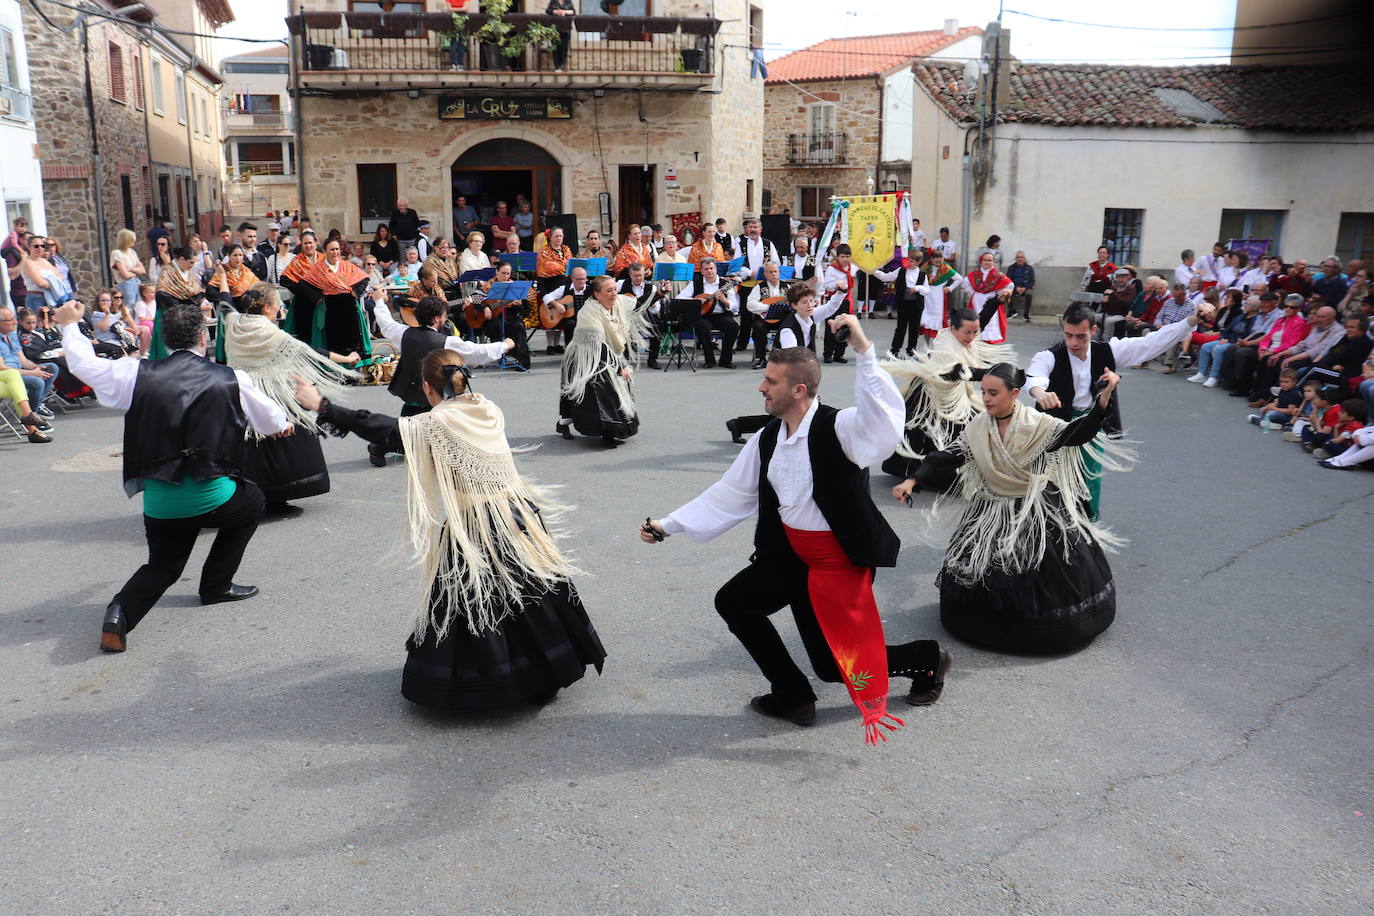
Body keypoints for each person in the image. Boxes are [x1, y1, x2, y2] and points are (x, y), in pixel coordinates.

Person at [641, 317, 950, 744]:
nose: (761, 387)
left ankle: (927, 659)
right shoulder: (767, 437)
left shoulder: (839, 428)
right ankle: (791, 693)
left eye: (770, 381)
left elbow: (882, 424)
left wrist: (864, 352)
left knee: (831, 664)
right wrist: (668, 526)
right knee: (735, 603)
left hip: (836, 560)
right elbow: (731, 493)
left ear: (798, 390)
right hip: (790, 553)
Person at [292, 350, 606, 707]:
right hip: (518, 514)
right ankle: (546, 670)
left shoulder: (439, 424)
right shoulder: (485, 407)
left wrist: (322, 405)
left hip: (479, 523)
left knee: (477, 602)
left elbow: (385, 429)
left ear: (427, 387)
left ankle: (494, 681)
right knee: (527, 596)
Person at [54, 298, 291, 653]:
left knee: (164, 565)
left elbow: (84, 365)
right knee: (253, 500)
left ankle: (119, 613)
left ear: (165, 339)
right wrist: (283, 426)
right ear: (202, 337)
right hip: (213, 497)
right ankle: (216, 586)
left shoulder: (135, 373)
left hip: (160, 501)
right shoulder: (231, 378)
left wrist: (69, 325)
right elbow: (272, 421)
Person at [916, 362, 1125, 654]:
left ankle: (1042, 628)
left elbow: (1079, 432)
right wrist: (915, 479)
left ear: (1014, 393)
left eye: (993, 393)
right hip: (990, 506)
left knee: (1039, 570)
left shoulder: (1038, 425)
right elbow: (949, 455)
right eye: (983, 392)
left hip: (1034, 507)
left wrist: (1104, 398)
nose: (985, 398)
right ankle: (983, 624)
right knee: (988, 569)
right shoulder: (978, 427)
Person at [1025, 300, 1215, 519]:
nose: (1073, 342)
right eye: (1068, 335)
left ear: (1093, 330)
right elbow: (1035, 375)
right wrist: (1040, 393)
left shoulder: (1107, 350)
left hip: (1091, 426)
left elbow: (1151, 343)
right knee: (1054, 480)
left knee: (1090, 479)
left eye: (1080, 336)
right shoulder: (1050, 356)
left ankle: (1088, 528)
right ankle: (1052, 527)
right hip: (1059, 427)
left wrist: (1191, 321)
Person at [212, 280, 356, 517]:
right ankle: (280, 493)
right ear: (268, 307)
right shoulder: (272, 333)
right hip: (272, 393)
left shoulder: (234, 322)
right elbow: (312, 352)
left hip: (240, 393)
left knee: (250, 442)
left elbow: (225, 303)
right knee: (281, 439)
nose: (280, 307)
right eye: (278, 304)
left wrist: (222, 278)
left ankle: (252, 493)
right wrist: (347, 359)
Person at [882, 308, 1017, 495]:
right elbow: (957, 371)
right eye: (967, 332)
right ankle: (917, 475)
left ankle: (944, 472)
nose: (971, 337)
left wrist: (996, 301)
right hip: (930, 396)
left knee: (959, 434)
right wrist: (991, 374)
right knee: (929, 435)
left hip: (954, 394)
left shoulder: (965, 337)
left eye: (975, 332)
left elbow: (981, 320)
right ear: (953, 328)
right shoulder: (944, 346)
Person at [555, 274, 644, 446]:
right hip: (584, 358)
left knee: (614, 390)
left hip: (608, 355)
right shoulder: (588, 312)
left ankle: (610, 430)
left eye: (615, 290)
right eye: (608, 291)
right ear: (597, 294)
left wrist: (661, 292)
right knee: (601, 389)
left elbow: (638, 303)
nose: (614, 294)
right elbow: (598, 346)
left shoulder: (617, 303)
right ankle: (606, 433)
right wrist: (620, 368)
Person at [282, 237, 371, 357]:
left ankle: (353, 366)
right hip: (329, 307)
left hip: (348, 307)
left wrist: (356, 292)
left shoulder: (346, 266)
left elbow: (364, 278)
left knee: (352, 339)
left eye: (337, 249)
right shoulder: (318, 268)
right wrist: (317, 297)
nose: (335, 252)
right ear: (325, 251)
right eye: (332, 249)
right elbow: (304, 283)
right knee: (332, 340)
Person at [689, 257, 739, 369]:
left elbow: (735, 307)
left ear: (715, 269)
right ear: (701, 271)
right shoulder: (695, 284)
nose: (709, 271)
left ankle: (725, 360)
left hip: (722, 315)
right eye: (706, 269)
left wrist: (724, 300)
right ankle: (709, 360)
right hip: (704, 316)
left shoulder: (725, 284)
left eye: (711, 268)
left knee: (733, 326)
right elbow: (680, 298)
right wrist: (695, 301)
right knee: (702, 326)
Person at [956, 250, 1014, 344]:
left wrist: (999, 294)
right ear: (981, 261)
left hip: (991, 303)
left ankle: (988, 342)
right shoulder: (975, 274)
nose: (987, 262)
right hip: (976, 302)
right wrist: (974, 294)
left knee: (990, 320)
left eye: (990, 260)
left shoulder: (998, 275)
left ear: (993, 262)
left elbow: (1009, 285)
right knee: (975, 321)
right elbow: (966, 283)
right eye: (985, 260)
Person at [540, 265, 590, 356]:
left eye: (584, 279)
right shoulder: (564, 288)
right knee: (570, 324)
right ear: (572, 278)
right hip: (570, 319)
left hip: (586, 318)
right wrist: (556, 304)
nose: (582, 282)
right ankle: (570, 352)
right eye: (579, 279)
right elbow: (547, 297)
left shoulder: (591, 290)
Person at [820, 244, 855, 363]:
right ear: (838, 257)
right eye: (843, 256)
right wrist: (837, 285)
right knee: (831, 327)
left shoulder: (852, 267)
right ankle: (828, 353)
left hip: (846, 301)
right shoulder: (832, 268)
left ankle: (839, 354)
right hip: (834, 300)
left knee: (844, 327)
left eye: (848, 256)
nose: (845, 259)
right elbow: (827, 285)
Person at [110, 229, 146, 307]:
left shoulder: (132, 252)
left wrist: (130, 269)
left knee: (139, 306)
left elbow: (142, 270)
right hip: (125, 284)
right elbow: (124, 275)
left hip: (136, 282)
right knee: (129, 307)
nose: (134, 243)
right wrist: (135, 272)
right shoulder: (116, 253)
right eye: (132, 240)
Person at [1006, 250, 1036, 323]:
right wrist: (1016, 287)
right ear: (1015, 259)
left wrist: (1025, 288)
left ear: (1024, 259)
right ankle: (1012, 311)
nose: (1019, 259)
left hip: (1025, 287)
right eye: (1018, 257)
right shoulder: (1011, 268)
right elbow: (1008, 280)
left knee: (1029, 294)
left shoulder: (1029, 268)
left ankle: (1026, 314)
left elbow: (1032, 281)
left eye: (1021, 257)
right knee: (1006, 292)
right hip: (1014, 287)